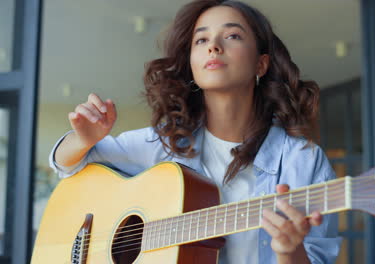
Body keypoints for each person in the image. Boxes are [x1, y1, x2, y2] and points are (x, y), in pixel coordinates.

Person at [49, 0, 342, 263]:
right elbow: (68, 163)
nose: (213, 46)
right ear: (192, 65)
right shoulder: (161, 142)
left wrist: (291, 253)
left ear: (261, 63)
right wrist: (83, 139)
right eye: (201, 40)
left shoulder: (302, 160)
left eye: (232, 36)